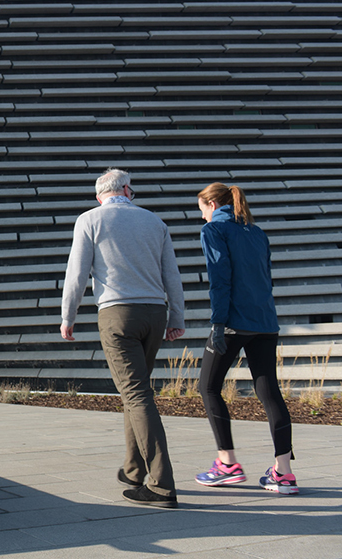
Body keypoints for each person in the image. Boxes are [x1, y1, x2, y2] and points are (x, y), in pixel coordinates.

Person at [61, 168, 186, 509]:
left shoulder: (90, 220)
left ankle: (161, 485)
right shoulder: (154, 222)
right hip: (155, 313)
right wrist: (177, 317)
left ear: (99, 195)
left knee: (136, 395)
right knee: (138, 392)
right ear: (127, 190)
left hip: (117, 314)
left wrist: (67, 317)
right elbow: (171, 274)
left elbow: (76, 274)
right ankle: (134, 470)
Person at [193, 183, 298, 495]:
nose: (201, 216)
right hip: (266, 322)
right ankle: (284, 473)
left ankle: (227, 463)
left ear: (212, 204)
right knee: (270, 393)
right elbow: (266, 277)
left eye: (201, 209)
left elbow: (219, 279)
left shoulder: (214, 230)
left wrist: (217, 324)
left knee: (208, 386)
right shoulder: (257, 232)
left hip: (233, 322)